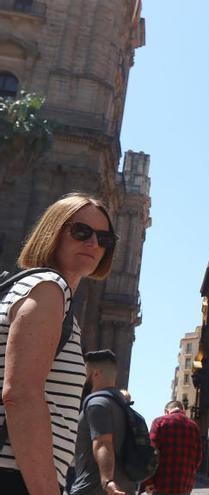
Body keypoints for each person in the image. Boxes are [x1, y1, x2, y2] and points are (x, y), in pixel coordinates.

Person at [0, 193, 117, 494]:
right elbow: (21, 395)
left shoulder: (39, 291)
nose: (93, 243)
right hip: (15, 476)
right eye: (81, 232)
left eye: (104, 238)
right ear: (53, 231)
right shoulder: (49, 290)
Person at [70, 350, 133, 495]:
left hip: (92, 488)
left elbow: (103, 443)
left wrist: (107, 481)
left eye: (85, 372)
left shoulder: (97, 403)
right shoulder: (122, 404)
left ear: (96, 374)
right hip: (123, 486)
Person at [140, 400, 202, 495]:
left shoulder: (160, 422)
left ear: (166, 411)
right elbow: (198, 458)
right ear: (183, 410)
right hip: (185, 486)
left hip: (162, 484)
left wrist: (148, 481)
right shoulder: (194, 427)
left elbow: (151, 453)